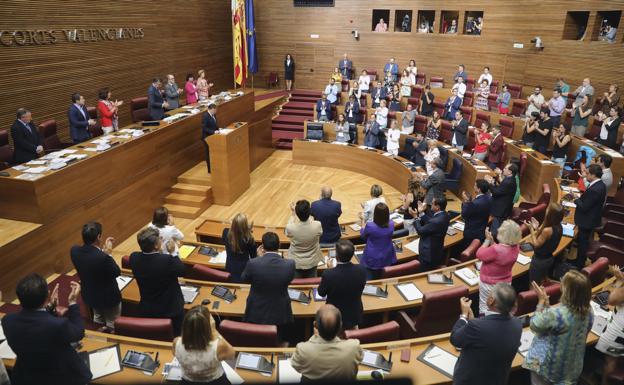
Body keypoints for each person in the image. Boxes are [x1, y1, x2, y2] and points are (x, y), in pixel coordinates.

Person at [2, 275, 91, 385]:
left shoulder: (7, 320)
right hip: (60, 377)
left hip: (27, 376)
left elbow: (37, 325)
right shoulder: (58, 325)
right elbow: (78, 332)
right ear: (47, 294)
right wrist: (72, 302)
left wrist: (49, 308)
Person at [522, 271, 594, 385]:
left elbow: (535, 325)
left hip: (549, 369)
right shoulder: (589, 310)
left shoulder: (557, 314)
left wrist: (541, 302)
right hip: (572, 367)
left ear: (568, 291)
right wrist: (547, 305)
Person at [450, 283, 522, 385]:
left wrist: (464, 315)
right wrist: (474, 320)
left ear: (491, 300)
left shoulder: (476, 327)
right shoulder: (517, 324)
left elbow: (455, 339)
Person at [130, 227, 186, 335]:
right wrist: (173, 252)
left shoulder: (134, 258)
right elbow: (182, 271)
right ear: (156, 245)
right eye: (160, 238)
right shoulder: (166, 260)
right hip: (170, 310)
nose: (162, 239)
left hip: (147, 309)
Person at [70, 222, 121, 331]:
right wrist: (108, 253)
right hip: (108, 298)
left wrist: (103, 252)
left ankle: (99, 334)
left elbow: (92, 262)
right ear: (98, 237)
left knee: (97, 317)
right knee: (112, 322)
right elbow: (116, 272)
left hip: (90, 294)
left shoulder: (74, 251)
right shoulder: (103, 258)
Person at [291, 305, 363, 380]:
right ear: (340, 326)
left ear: (315, 325)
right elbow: (359, 359)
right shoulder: (354, 347)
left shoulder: (303, 350)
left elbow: (296, 366)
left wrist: (314, 337)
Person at [242, 232, 296, 328]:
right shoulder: (290, 264)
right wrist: (286, 259)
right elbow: (289, 279)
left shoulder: (253, 263)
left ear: (262, 247)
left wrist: (258, 258)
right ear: (279, 245)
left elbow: (245, 279)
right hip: (280, 311)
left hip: (257, 310)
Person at [173, 305, 235, 385]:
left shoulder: (176, 342)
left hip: (187, 382)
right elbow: (232, 355)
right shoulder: (219, 346)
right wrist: (214, 330)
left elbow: (175, 354)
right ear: (208, 326)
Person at [317, 241, 366, 329]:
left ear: (336, 256)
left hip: (334, 317)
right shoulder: (361, 270)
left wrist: (330, 270)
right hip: (354, 314)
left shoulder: (328, 274)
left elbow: (321, 293)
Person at [475, 220, 520, 314]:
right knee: (501, 308)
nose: (499, 229)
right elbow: (501, 252)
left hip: (489, 284)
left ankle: (484, 325)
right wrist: (492, 242)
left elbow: (479, 254)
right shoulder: (516, 247)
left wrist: (487, 240)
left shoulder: (496, 250)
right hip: (505, 283)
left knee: (485, 307)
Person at [573, 163, 607, 269]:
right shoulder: (599, 184)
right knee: (582, 241)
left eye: (587, 174)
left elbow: (584, 207)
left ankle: (579, 265)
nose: (586, 176)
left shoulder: (595, 189)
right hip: (590, 218)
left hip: (587, 221)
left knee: (583, 243)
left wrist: (576, 198)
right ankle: (578, 260)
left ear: (593, 175)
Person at [596, 265, 624, 385]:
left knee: (610, 359)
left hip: (619, 331)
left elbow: (611, 300)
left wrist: (619, 282)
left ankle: (605, 381)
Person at [526, 203, 564, 285]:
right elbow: (545, 239)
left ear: (551, 214)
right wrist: (537, 228)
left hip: (539, 261)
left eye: (548, 209)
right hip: (549, 258)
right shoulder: (559, 227)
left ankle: (534, 297)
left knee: (533, 285)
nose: (546, 210)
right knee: (543, 280)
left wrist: (531, 229)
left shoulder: (547, 230)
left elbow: (536, 244)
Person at [285, 200, 323, 278]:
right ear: (309, 212)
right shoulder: (317, 225)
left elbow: (287, 232)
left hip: (296, 262)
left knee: (297, 286)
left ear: (297, 213)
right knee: (312, 285)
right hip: (313, 261)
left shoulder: (291, 227)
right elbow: (320, 233)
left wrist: (293, 214)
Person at [359, 202, 396, 279]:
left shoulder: (370, 226)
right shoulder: (391, 224)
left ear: (375, 214)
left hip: (373, 256)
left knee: (369, 278)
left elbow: (363, 235)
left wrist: (363, 221)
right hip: (387, 253)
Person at [413, 197, 451, 271]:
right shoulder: (445, 215)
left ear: (437, 207)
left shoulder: (436, 221)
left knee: (424, 272)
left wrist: (416, 218)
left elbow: (420, 231)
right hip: (437, 249)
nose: (431, 204)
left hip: (428, 253)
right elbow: (431, 221)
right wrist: (421, 213)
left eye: (433, 203)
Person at [222, 213, 257, 283]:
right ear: (245, 225)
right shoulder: (249, 239)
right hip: (244, 269)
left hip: (230, 266)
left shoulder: (225, 232)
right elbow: (253, 256)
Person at [485, 163, 518, 237]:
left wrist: (490, 183)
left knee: (495, 230)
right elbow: (501, 190)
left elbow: (496, 192)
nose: (503, 169)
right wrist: (493, 183)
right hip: (503, 207)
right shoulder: (510, 179)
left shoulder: (508, 182)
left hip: (501, 210)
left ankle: (493, 242)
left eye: (505, 168)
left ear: (510, 172)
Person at [461, 179, 492, 247]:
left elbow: (464, 214)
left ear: (479, 189)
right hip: (481, 229)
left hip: (471, 232)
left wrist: (466, 201)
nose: (473, 187)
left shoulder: (475, 203)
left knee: (467, 248)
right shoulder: (489, 198)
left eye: (475, 185)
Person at [201, 103, 219, 172]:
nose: (215, 112)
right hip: (207, 138)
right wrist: (213, 132)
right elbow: (204, 128)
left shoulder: (213, 114)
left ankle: (215, 167)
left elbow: (215, 124)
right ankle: (209, 169)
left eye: (215, 110)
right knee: (208, 153)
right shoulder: (205, 116)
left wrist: (218, 129)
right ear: (210, 109)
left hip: (213, 137)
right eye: (214, 110)